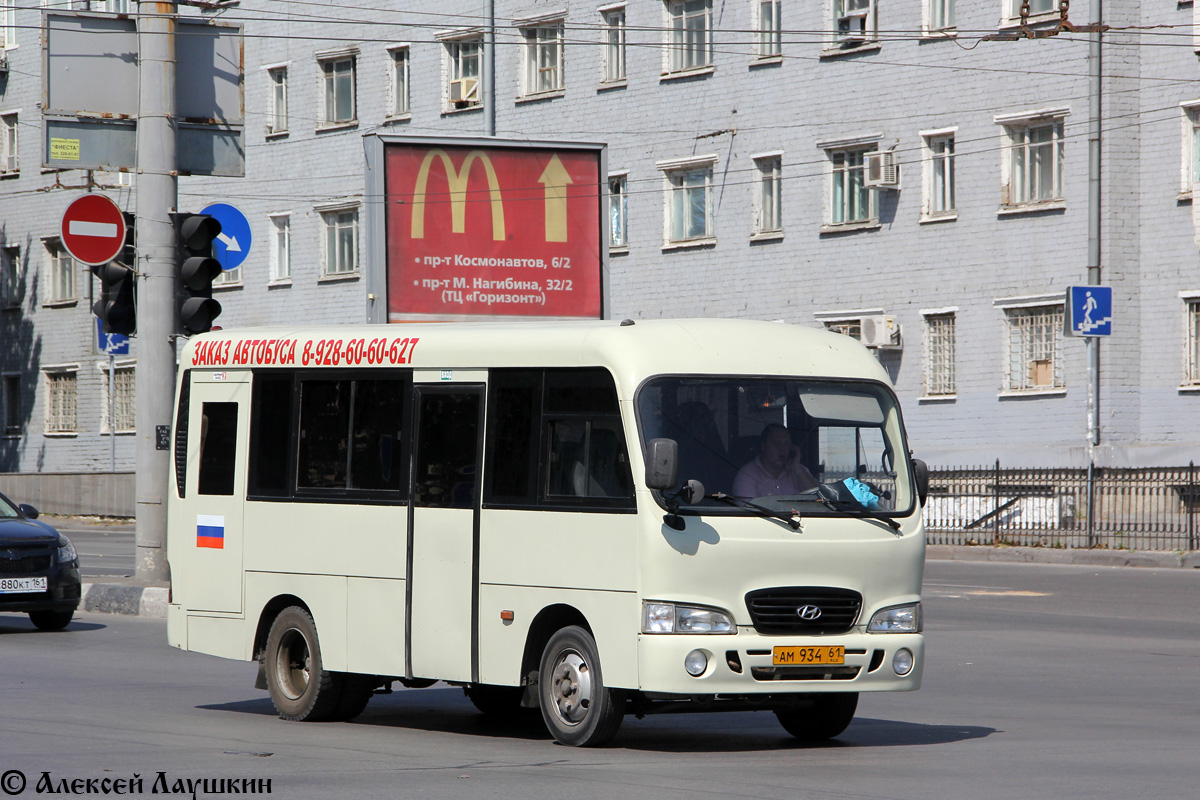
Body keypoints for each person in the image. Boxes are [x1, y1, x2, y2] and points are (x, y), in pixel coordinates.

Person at [733, 424, 820, 498]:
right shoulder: (747, 474)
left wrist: (798, 469)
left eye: (786, 443)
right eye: (776, 443)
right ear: (763, 446)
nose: (782, 449)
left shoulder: (799, 471)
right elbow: (747, 511)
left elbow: (819, 499)